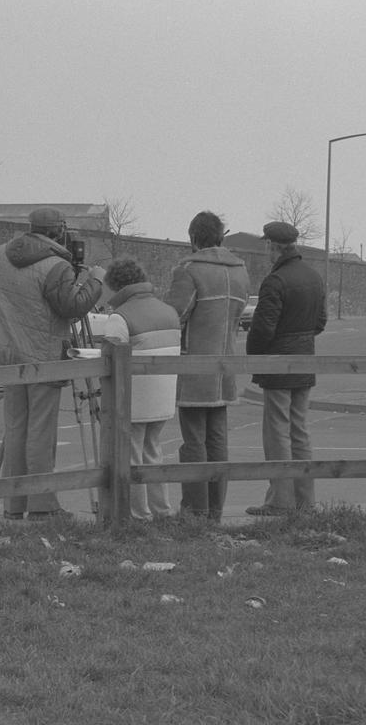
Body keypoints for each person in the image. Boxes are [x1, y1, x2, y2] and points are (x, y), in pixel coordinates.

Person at [0, 205, 106, 520]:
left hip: (10, 359)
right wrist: (95, 281)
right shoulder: (56, 266)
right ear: (59, 231)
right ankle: (43, 506)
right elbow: (72, 306)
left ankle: (14, 505)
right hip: (44, 359)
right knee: (41, 434)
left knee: (15, 432)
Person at [164, 211, 250, 519]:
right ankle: (215, 511)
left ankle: (194, 510)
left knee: (193, 442)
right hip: (225, 364)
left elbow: (174, 315)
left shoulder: (189, 270)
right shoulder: (241, 271)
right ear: (221, 236)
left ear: (193, 238)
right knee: (217, 440)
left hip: (194, 366)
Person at [245, 221, 327, 516]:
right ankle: (305, 501)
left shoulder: (275, 281)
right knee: (300, 430)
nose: (265, 249)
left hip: (278, 362)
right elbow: (320, 322)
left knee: (277, 431)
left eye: (266, 244)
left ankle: (281, 500)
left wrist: (254, 357)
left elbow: (263, 328)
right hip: (305, 359)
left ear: (273, 246)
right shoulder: (314, 277)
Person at [100, 258, 180, 520]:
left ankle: (137, 514)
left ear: (115, 286)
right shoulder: (169, 311)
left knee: (131, 454)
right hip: (163, 397)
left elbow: (110, 360)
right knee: (153, 451)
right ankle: (162, 511)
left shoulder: (120, 317)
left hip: (133, 399)